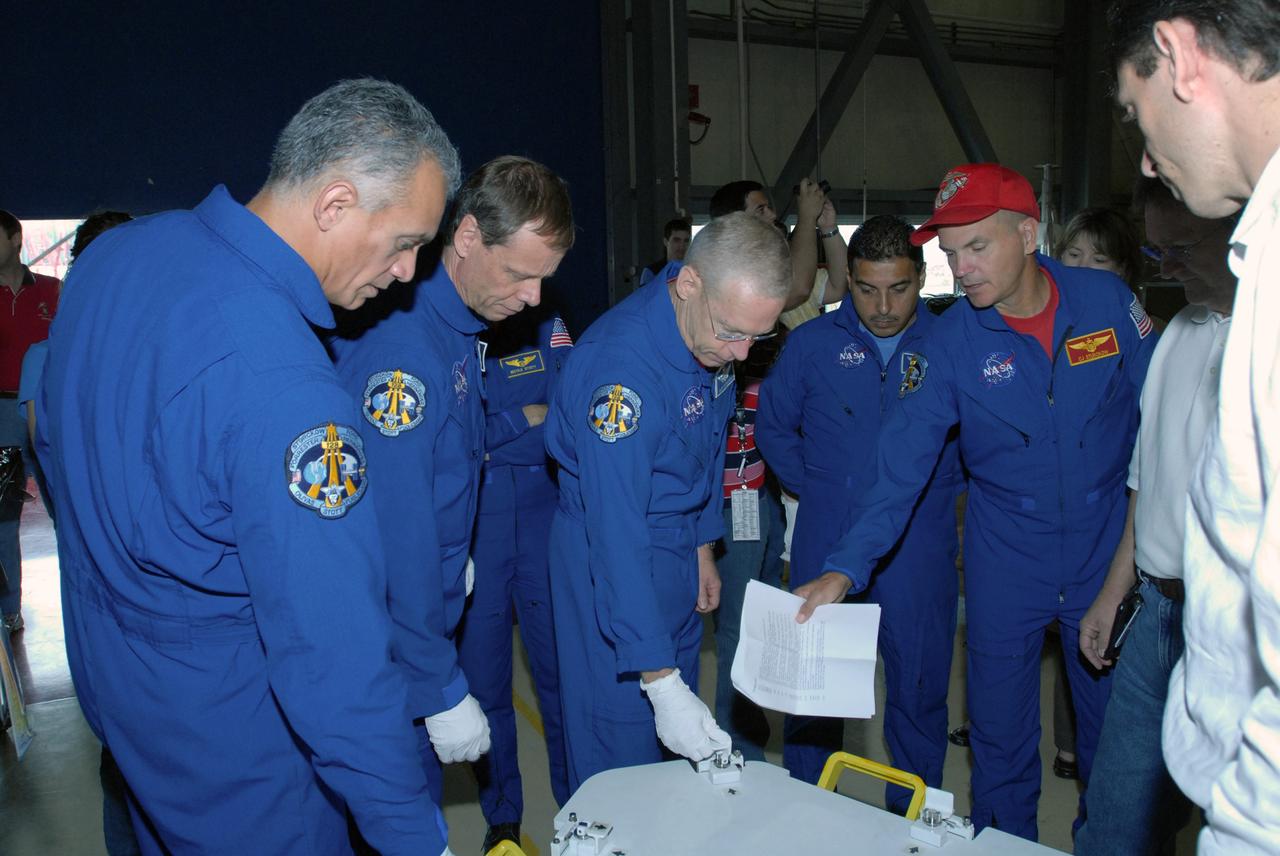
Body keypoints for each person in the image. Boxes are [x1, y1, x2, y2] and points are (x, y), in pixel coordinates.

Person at [36, 78, 464, 855]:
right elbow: (333, 657)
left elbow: (61, 454)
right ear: (335, 203)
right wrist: (412, 834)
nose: (408, 275)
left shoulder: (117, 258)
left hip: (123, 694)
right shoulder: (292, 394)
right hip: (240, 752)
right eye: (406, 243)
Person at [793, 163, 1158, 841]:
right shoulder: (951, 345)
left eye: (977, 247)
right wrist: (845, 568)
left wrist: (1138, 567)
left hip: (1105, 555)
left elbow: (1165, 423)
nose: (961, 270)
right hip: (1004, 563)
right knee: (999, 741)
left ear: (1028, 232)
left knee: (1114, 745)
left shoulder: (1105, 304)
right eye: (950, 253)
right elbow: (899, 467)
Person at [328, 156, 573, 843]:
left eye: (543, 281)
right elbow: (396, 533)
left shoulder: (458, 330)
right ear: (466, 237)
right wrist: (437, 684)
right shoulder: (406, 356)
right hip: (393, 649)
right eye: (519, 274)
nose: (532, 299)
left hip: (425, 616)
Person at [1108, 2, 1280, 851]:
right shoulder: (1244, 286)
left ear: (1177, 54)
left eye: (1137, 114)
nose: (1147, 154)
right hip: (1164, 614)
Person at [545, 211, 790, 791]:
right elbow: (616, 534)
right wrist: (659, 680)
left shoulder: (707, 334)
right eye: (733, 331)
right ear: (688, 283)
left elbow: (705, 446)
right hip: (609, 556)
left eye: (759, 337)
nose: (740, 352)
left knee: (676, 761)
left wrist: (704, 543)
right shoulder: (621, 379)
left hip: (676, 543)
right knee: (622, 750)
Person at [755, 214, 962, 811]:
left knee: (920, 693)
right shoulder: (813, 345)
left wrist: (940, 487)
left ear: (921, 277)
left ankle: (914, 824)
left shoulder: (948, 344)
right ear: (849, 276)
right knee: (813, 697)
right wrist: (819, 488)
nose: (883, 305)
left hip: (918, 547)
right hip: (828, 535)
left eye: (899, 288)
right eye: (867, 288)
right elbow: (774, 426)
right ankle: (810, 817)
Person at [1073, 178, 1236, 854]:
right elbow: (1148, 485)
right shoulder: (1179, 337)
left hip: (1233, 632)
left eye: (1181, 248)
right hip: (1155, 620)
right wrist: (1114, 594)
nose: (1165, 265)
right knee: (1116, 818)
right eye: (1156, 248)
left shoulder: (1262, 351)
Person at [15, 209, 137, 856]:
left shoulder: (147, 347)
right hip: (98, 576)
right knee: (123, 743)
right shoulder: (52, 355)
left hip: (137, 582)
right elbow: (45, 453)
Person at [458, 301, 575, 852]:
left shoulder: (549, 326)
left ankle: (578, 798)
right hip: (476, 525)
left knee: (559, 674)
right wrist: (518, 418)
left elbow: (567, 412)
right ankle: (502, 811)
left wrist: (494, 436)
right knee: (485, 685)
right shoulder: (453, 331)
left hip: (541, 516)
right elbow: (454, 434)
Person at [0, 209, 61, 634]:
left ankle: (85, 605)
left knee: (65, 510)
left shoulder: (55, 291)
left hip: (46, 412)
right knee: (4, 519)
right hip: (1, 417)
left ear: (15, 239)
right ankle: (9, 610)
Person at [708, 179, 848, 319]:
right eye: (761, 210)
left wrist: (828, 227)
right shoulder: (730, 275)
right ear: (736, 223)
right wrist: (807, 217)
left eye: (768, 208)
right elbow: (799, 290)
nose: (772, 215)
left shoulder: (783, 266)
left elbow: (838, 287)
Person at [638, 218, 691, 286]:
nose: (682, 246)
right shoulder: (652, 272)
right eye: (676, 240)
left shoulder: (693, 271)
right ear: (666, 242)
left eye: (686, 241)